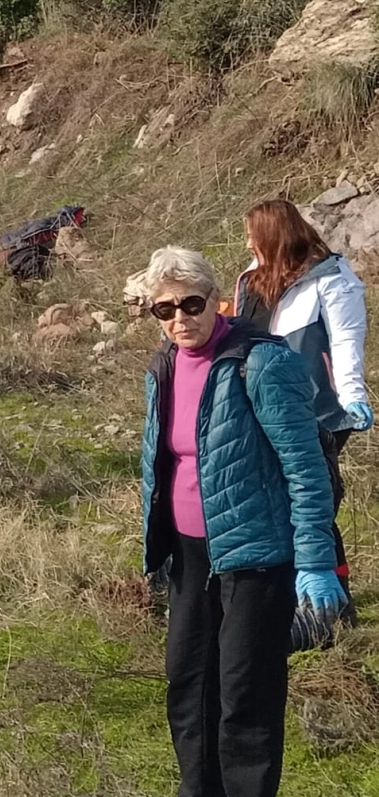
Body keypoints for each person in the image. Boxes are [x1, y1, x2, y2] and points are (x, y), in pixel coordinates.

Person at [138, 247, 344, 797]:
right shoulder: (164, 365)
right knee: (188, 685)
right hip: (188, 554)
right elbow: (164, 461)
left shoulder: (259, 360)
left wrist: (317, 561)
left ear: (216, 300)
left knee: (245, 694)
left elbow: (305, 467)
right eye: (165, 309)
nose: (180, 318)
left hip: (256, 555)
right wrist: (155, 545)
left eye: (191, 303)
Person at [234, 198, 369, 640]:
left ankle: (333, 609)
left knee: (316, 500)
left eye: (254, 233)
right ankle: (293, 601)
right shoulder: (251, 282)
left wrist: (352, 396)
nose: (247, 241)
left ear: (274, 236)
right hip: (264, 409)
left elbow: (347, 341)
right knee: (282, 500)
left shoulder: (331, 280)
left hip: (318, 412)